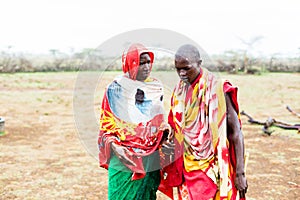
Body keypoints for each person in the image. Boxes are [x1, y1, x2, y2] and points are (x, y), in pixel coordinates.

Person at [162, 44, 248, 200]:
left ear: (199, 63)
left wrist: (240, 173)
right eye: (178, 69)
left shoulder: (218, 89)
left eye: (186, 68)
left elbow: (235, 132)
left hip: (214, 167)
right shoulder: (179, 92)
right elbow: (176, 128)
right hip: (187, 167)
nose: (182, 74)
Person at [98, 43, 170, 200]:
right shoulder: (116, 89)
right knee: (120, 195)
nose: (146, 67)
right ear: (130, 63)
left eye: (148, 62)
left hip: (151, 154)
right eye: (141, 62)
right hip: (124, 155)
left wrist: (164, 131)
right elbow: (107, 127)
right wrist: (118, 150)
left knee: (147, 194)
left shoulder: (155, 86)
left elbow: (158, 118)